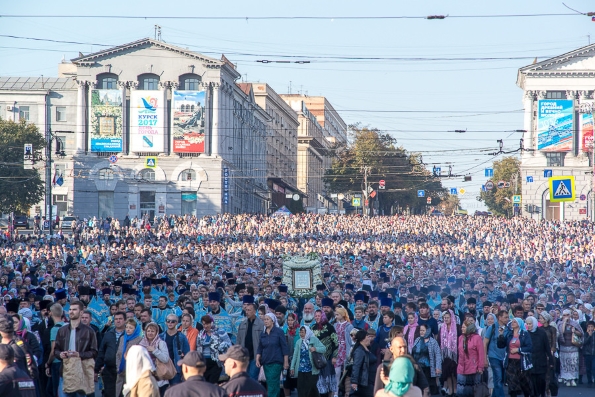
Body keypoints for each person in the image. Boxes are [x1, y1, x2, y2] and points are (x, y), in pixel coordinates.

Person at [53, 301, 98, 397]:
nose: (71, 312)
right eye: (70, 309)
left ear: (81, 312)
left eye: (74, 309)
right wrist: (60, 354)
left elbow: (94, 352)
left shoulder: (89, 331)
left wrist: (79, 354)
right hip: (65, 371)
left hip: (81, 371)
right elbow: (56, 350)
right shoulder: (62, 330)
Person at [497, 318, 532, 397]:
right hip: (510, 362)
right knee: (512, 383)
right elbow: (500, 345)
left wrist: (518, 350)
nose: (512, 323)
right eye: (512, 322)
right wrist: (501, 335)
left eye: (515, 322)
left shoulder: (524, 334)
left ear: (519, 323)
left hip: (521, 362)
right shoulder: (509, 334)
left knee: (524, 383)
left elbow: (529, 347)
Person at [256, 313, 289, 397]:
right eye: (264, 319)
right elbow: (260, 348)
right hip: (266, 362)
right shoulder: (262, 334)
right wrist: (257, 359)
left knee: (272, 383)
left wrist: (286, 362)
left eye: (267, 319)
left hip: (276, 362)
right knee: (272, 384)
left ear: (273, 321)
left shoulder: (279, 332)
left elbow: (284, 347)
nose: (265, 321)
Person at [95, 311, 126, 397]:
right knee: (109, 394)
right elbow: (102, 352)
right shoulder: (108, 335)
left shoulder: (129, 335)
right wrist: (96, 369)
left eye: (120, 319)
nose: (118, 321)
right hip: (109, 371)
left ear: (125, 321)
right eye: (116, 319)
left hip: (124, 372)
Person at [290, 325, 327, 397]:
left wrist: (315, 349)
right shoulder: (298, 342)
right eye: (300, 332)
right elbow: (295, 355)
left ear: (307, 332)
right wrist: (292, 367)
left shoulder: (314, 340)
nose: (301, 334)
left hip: (312, 369)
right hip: (301, 369)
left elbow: (324, 348)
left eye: (303, 332)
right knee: (301, 389)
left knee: (311, 388)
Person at [196, 315, 232, 384]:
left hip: (216, 362)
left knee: (213, 382)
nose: (205, 326)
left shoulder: (220, 332)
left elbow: (228, 344)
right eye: (204, 324)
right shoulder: (201, 333)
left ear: (212, 323)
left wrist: (220, 346)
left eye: (207, 324)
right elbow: (198, 346)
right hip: (204, 362)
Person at [139, 322, 170, 395]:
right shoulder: (141, 343)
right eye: (148, 331)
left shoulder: (161, 343)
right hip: (146, 379)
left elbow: (165, 359)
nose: (150, 333)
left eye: (152, 331)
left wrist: (154, 350)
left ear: (156, 332)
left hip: (160, 380)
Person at [456, 319, 485, 397]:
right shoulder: (460, 338)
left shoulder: (477, 338)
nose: (462, 329)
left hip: (474, 368)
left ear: (469, 328)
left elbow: (481, 354)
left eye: (464, 327)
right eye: (462, 327)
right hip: (461, 368)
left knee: (473, 391)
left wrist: (480, 367)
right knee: (461, 392)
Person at [236, 302, 265, 381]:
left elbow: (264, 341)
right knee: (244, 377)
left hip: (256, 356)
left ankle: (252, 393)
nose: (247, 312)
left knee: (252, 377)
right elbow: (238, 340)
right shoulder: (242, 324)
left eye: (249, 310)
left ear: (254, 311)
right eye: (246, 310)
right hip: (244, 356)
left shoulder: (261, 324)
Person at [160, 314, 190, 386]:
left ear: (177, 323)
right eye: (168, 321)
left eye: (173, 321)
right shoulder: (160, 336)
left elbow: (187, 355)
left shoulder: (182, 337)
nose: (170, 323)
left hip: (176, 369)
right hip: (163, 368)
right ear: (166, 322)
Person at [411, 324, 441, 396]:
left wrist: (438, 367)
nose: (421, 332)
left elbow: (437, 355)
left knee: (428, 388)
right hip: (417, 368)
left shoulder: (433, 342)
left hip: (428, 369)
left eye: (423, 330)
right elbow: (413, 352)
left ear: (427, 331)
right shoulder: (417, 340)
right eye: (420, 330)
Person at [483, 310, 507, 397]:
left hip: (504, 357)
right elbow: (485, 343)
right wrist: (485, 358)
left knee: (501, 379)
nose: (507, 319)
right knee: (498, 378)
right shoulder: (492, 327)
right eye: (505, 317)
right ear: (499, 318)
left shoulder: (508, 328)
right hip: (493, 356)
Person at [116, 319, 143, 397]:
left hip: (132, 372)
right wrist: (118, 367)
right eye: (127, 327)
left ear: (135, 329)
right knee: (119, 393)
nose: (128, 329)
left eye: (131, 328)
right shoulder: (122, 338)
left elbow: (139, 356)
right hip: (120, 371)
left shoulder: (139, 340)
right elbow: (118, 354)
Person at [526, 316, 551, 397]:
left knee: (541, 380)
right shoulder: (526, 334)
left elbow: (547, 347)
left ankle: (543, 394)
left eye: (530, 324)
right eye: (527, 324)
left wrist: (550, 360)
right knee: (533, 382)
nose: (529, 325)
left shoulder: (542, 333)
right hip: (531, 361)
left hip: (541, 361)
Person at [557, 309, 584, 386]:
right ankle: (566, 379)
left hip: (573, 347)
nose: (566, 316)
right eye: (564, 315)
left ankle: (572, 379)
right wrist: (564, 322)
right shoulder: (560, 323)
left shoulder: (574, 323)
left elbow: (581, 333)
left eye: (567, 315)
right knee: (565, 364)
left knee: (573, 363)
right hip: (564, 347)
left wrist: (574, 331)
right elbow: (561, 332)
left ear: (570, 315)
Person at [537, 311, 558, 397]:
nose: (540, 320)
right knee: (542, 375)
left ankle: (549, 391)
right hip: (541, 353)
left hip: (550, 353)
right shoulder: (539, 329)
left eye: (541, 318)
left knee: (549, 374)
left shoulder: (552, 329)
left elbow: (554, 342)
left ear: (546, 319)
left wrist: (551, 352)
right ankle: (543, 391)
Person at [438, 310, 458, 397]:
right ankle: (450, 390)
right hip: (445, 354)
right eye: (444, 318)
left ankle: (455, 390)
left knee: (454, 373)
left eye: (447, 317)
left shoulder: (457, 327)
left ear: (451, 318)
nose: (446, 319)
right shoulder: (442, 328)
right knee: (447, 373)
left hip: (455, 354)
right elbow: (439, 340)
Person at [334, 306, 354, 388]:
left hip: (345, 348)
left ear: (342, 315)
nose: (336, 316)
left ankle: (347, 391)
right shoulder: (335, 325)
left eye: (337, 314)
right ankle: (336, 391)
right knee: (337, 371)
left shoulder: (349, 326)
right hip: (337, 349)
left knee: (346, 371)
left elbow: (351, 339)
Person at [350, 330, 372, 397]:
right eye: (368, 337)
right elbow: (356, 366)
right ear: (363, 339)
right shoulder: (359, 351)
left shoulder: (367, 349)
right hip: (364, 382)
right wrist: (354, 382)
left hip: (370, 380)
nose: (370, 339)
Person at [583, 320, 595, 385]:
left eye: (592, 326)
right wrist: (589, 336)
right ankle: (589, 381)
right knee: (588, 368)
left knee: (593, 367)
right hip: (587, 354)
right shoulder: (585, 334)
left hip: (594, 354)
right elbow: (584, 342)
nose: (590, 328)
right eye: (589, 326)